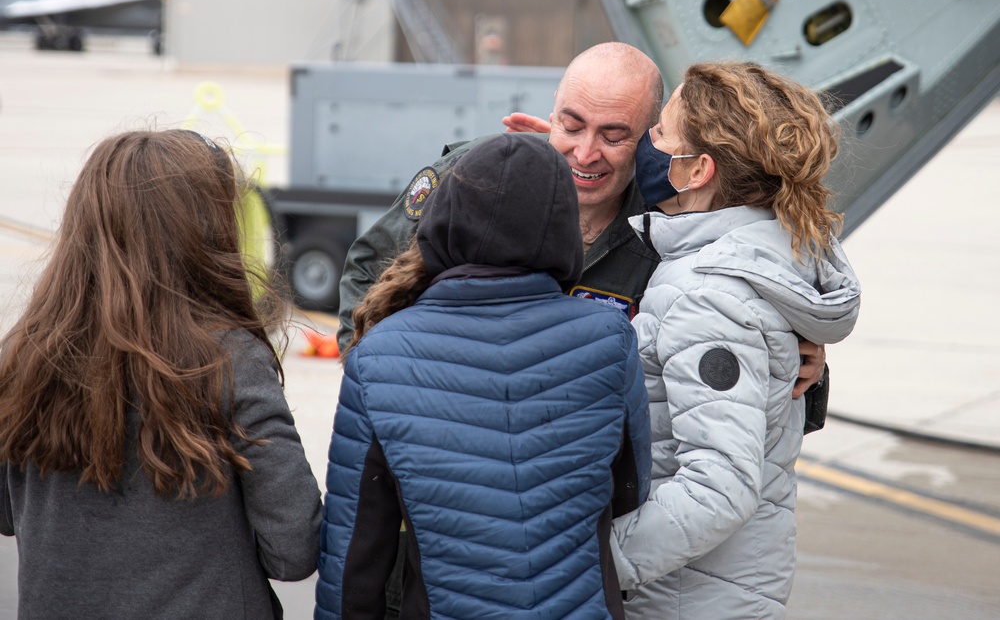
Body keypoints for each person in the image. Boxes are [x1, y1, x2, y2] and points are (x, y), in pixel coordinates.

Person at [336, 42, 828, 398]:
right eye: (571, 126)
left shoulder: (676, 220)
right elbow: (368, 272)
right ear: (553, 108)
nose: (586, 153)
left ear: (651, 139)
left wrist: (804, 369)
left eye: (613, 136)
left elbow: (751, 313)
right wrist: (378, 387)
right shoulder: (474, 182)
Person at [315, 134, 652, 619]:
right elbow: (629, 491)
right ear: (559, 229)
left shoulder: (378, 356)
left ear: (444, 219)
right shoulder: (609, 337)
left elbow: (354, 555)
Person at [0, 130, 322, 619]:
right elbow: (294, 547)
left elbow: (8, 516)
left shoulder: (24, 355)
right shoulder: (229, 360)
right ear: (207, 232)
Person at [609, 62, 862, 619]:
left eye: (661, 132)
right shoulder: (752, 257)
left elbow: (717, 490)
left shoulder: (709, 296)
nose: (647, 144)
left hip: (680, 600)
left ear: (698, 169)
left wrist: (595, 562)